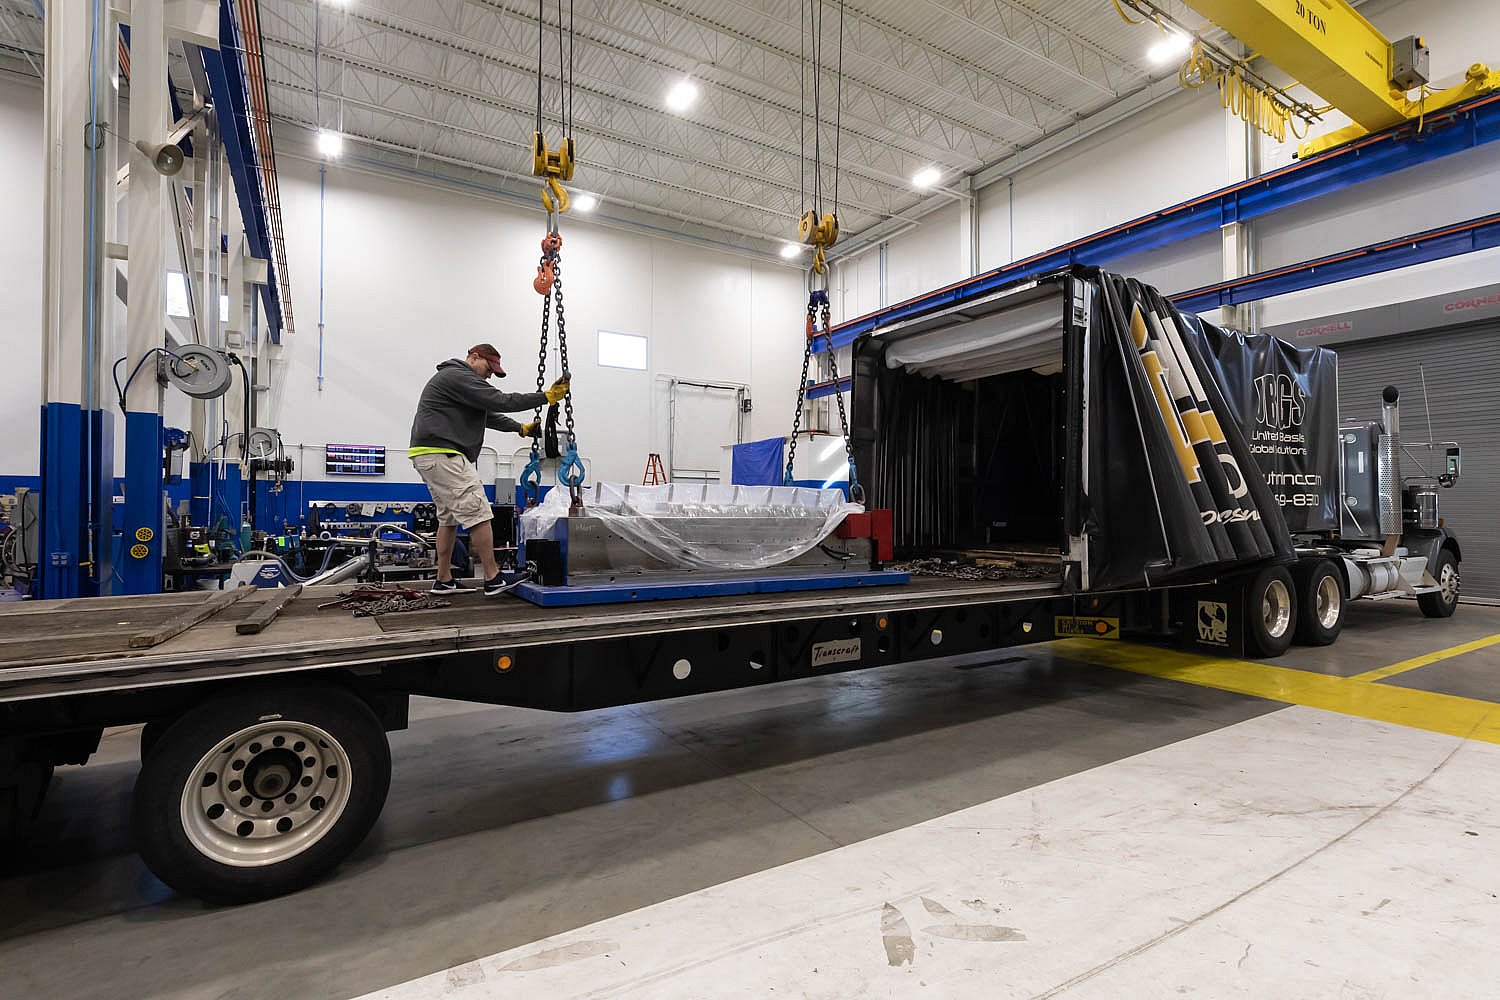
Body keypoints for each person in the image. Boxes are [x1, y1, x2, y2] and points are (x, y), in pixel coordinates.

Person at [409, 344, 570, 595]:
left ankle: (443, 579)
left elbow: (489, 415)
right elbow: (501, 401)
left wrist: (520, 428)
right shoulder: (458, 376)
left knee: (448, 518)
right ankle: (493, 577)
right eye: (489, 368)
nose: (489, 375)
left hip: (429, 455)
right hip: (445, 455)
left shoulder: (457, 383)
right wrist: (545, 397)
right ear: (474, 357)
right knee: (479, 512)